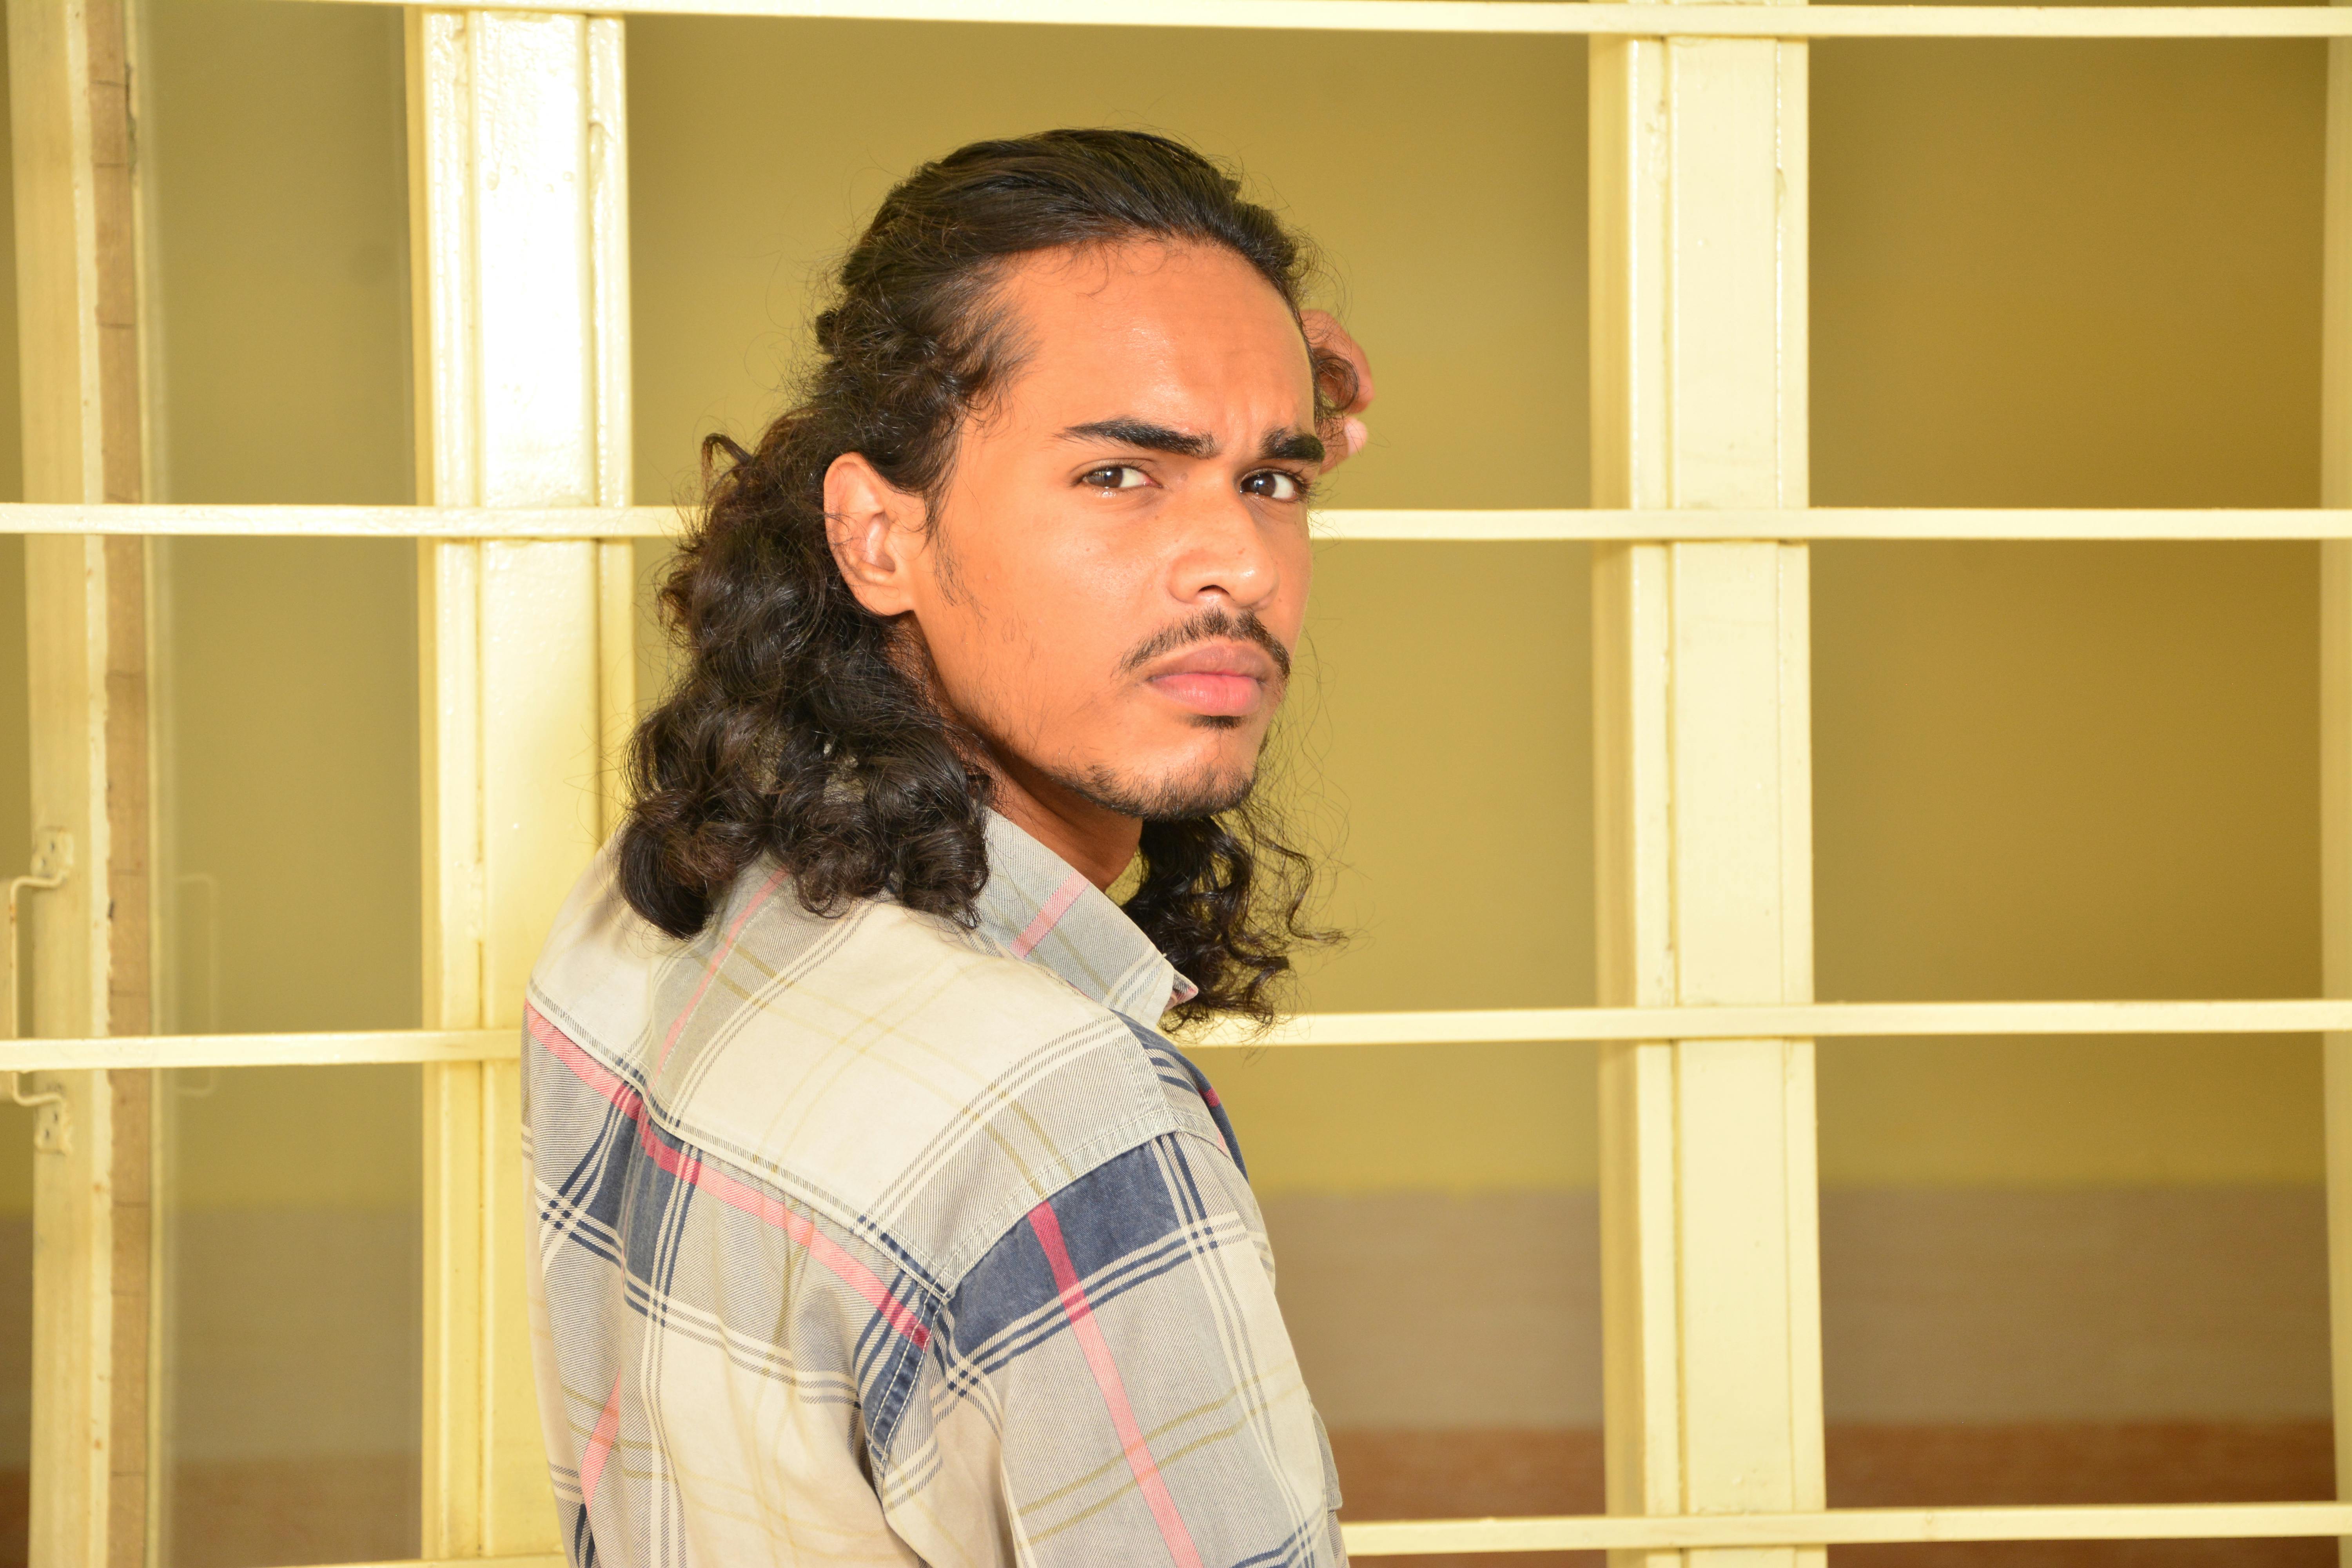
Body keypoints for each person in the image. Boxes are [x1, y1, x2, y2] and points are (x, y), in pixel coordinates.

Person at [521, 128, 1374, 1568]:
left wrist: (1203, 426)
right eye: (1121, 477)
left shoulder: (652, 901)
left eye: (1275, 483)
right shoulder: (1067, 1134)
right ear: (876, 536)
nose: (1240, 562)